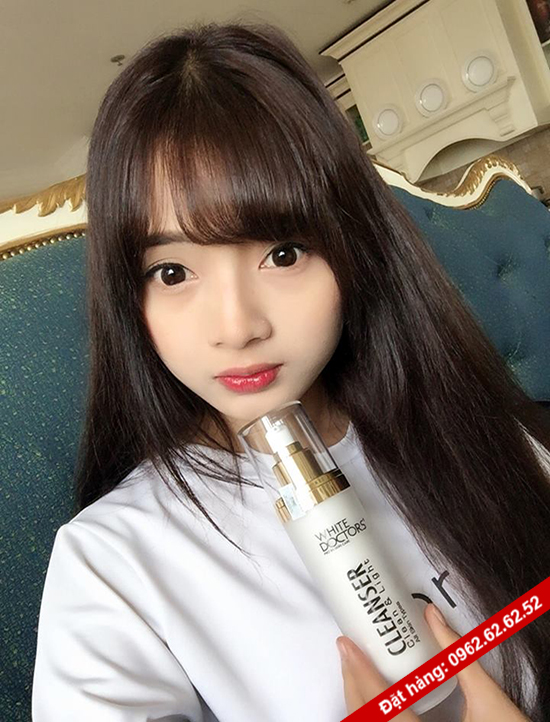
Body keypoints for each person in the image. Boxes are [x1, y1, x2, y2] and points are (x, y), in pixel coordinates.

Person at [31, 19, 550, 722]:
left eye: (283, 254)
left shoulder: (478, 431)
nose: (237, 326)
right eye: (172, 272)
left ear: (354, 247)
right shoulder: (111, 563)